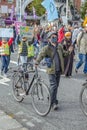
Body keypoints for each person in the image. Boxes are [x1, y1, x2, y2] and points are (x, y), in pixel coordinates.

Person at [35, 31, 73, 110]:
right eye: (52, 37)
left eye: (55, 36)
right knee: (54, 85)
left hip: (58, 70)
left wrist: (69, 51)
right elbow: (41, 55)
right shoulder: (47, 48)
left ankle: (51, 96)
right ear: (49, 39)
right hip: (51, 70)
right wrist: (37, 62)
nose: (54, 38)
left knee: (55, 86)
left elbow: (64, 54)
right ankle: (53, 103)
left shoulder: (59, 46)